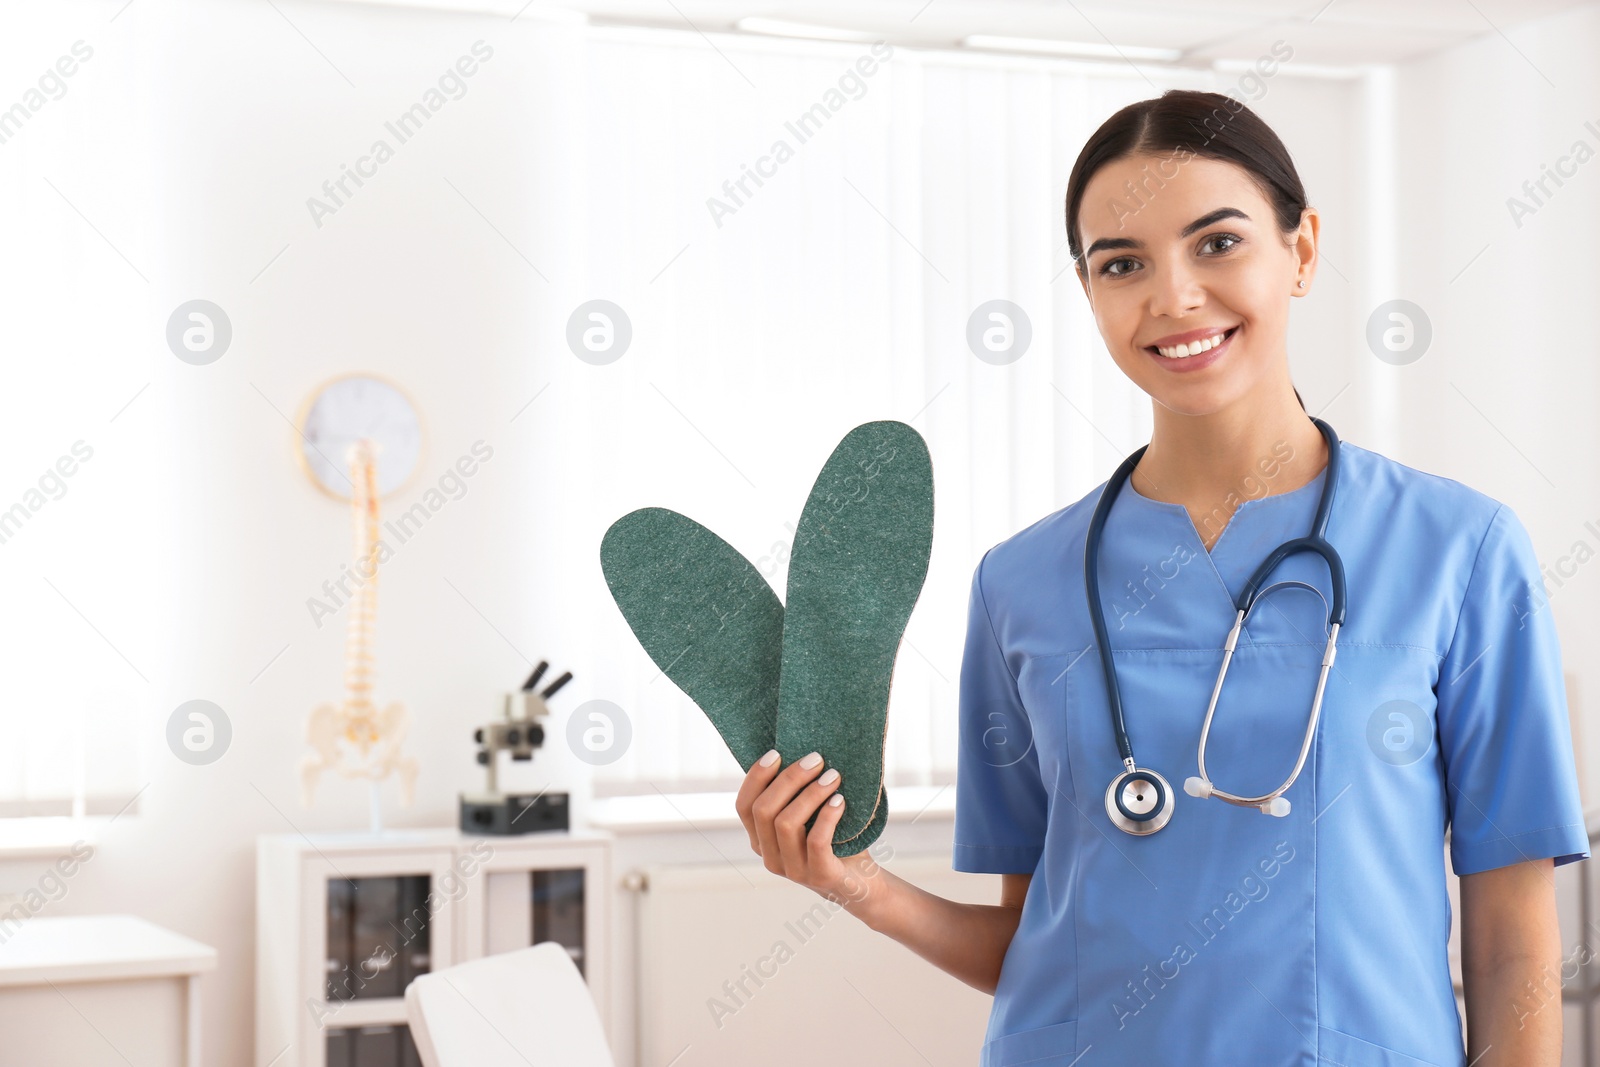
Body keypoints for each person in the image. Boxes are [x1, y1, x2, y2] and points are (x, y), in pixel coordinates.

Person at [734, 88, 1589, 1065]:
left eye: (1216, 243)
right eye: (1122, 263)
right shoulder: (1021, 582)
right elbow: (1036, 941)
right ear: (1087, 289)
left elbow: (1513, 932)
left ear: (1301, 249)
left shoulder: (1457, 548)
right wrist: (855, 883)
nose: (1173, 296)